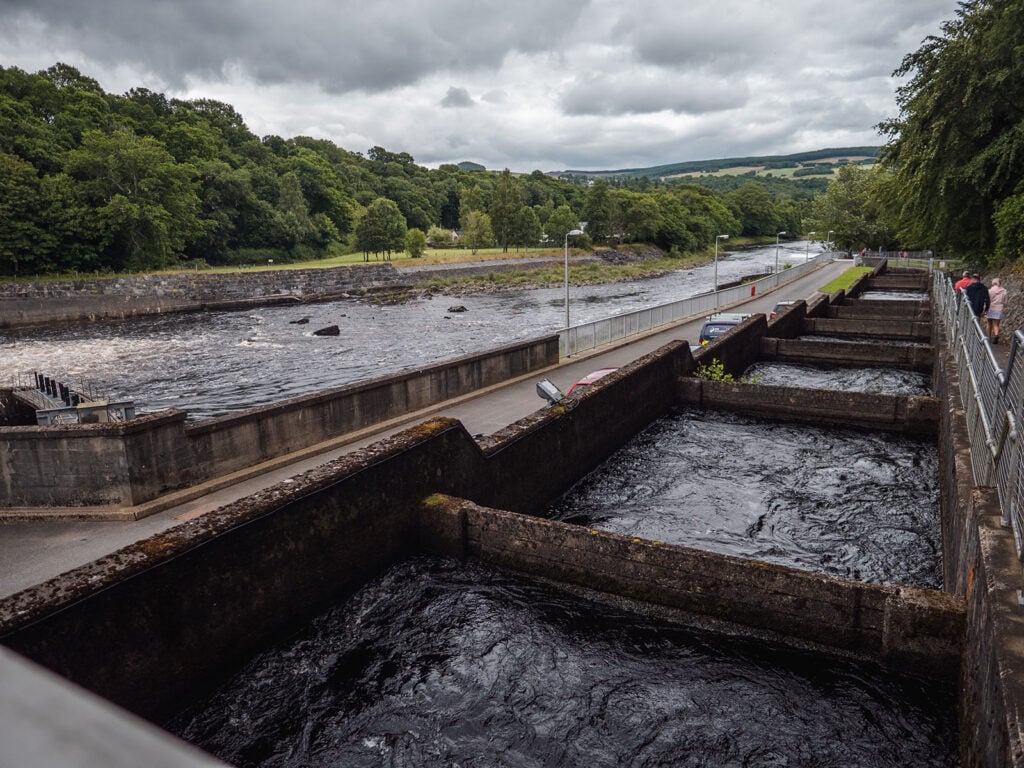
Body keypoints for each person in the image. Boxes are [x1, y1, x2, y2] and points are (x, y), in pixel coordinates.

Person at [987, 277, 1007, 343]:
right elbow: (1005, 302)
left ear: (993, 283)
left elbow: (987, 300)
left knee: (989, 323)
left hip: (991, 307)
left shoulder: (990, 291)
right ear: (1000, 283)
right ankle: (996, 335)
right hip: (999, 308)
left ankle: (988, 337)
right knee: (996, 325)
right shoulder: (1004, 291)